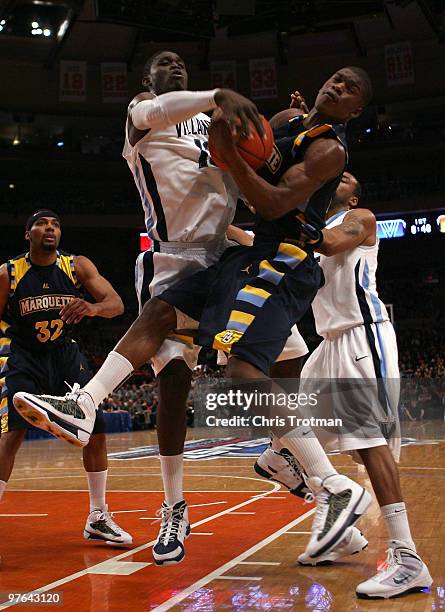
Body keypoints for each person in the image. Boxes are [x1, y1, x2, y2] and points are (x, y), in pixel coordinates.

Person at [15, 66, 374, 563]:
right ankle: (155, 474)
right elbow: (247, 151)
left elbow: (270, 196)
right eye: (334, 78)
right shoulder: (164, 114)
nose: (335, 86)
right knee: (170, 336)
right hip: (199, 259)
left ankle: (321, 481)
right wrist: (268, 128)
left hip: (265, 264)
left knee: (265, 376)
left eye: (349, 88)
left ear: (354, 109)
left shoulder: (319, 144)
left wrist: (235, 154)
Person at [257, 172, 432, 598]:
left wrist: (284, 210)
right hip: (329, 343)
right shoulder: (309, 228)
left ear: (353, 195)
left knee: (368, 445)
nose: (339, 176)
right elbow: (254, 247)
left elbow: (331, 243)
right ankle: (337, 525)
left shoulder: (360, 220)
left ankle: (407, 558)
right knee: (286, 428)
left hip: (362, 335)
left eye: (347, 176)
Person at [4, 210, 132, 545]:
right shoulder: (9, 273)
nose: (50, 228)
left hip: (65, 356)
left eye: (56, 224)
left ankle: (98, 516)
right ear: (27, 234)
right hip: (25, 357)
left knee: (96, 431)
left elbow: (115, 304)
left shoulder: (76, 266)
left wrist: (92, 308)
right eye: (42, 224)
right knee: (11, 436)